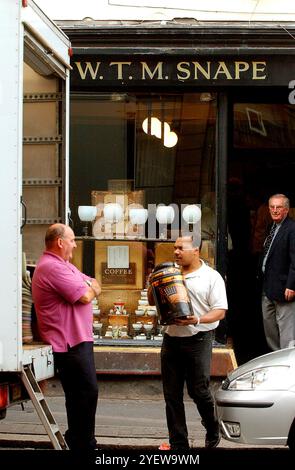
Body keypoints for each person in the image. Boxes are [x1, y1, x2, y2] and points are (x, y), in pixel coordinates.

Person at [148, 235, 227, 450]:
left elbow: (220, 311)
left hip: (199, 339)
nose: (175, 252)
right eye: (174, 248)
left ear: (196, 251)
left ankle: (211, 426)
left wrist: (198, 319)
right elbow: (151, 301)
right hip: (171, 339)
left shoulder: (211, 277)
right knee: (171, 395)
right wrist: (152, 284)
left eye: (181, 248)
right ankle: (179, 444)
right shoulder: (168, 273)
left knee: (198, 391)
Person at [32, 223, 101, 451]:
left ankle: (78, 441)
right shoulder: (53, 268)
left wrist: (90, 287)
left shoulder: (64, 265)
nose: (75, 244)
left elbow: (94, 282)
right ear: (60, 242)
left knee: (81, 395)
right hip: (68, 342)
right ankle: (84, 444)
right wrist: (89, 289)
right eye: (72, 240)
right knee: (85, 392)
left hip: (77, 340)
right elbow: (84, 296)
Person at [261, 194, 295, 350]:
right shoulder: (272, 227)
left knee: (287, 334)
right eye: (271, 207)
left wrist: (292, 285)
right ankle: (276, 363)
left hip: (284, 289)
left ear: (286, 210)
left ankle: (288, 367)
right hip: (268, 288)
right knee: (270, 332)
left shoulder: (292, 229)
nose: (274, 210)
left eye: (278, 207)